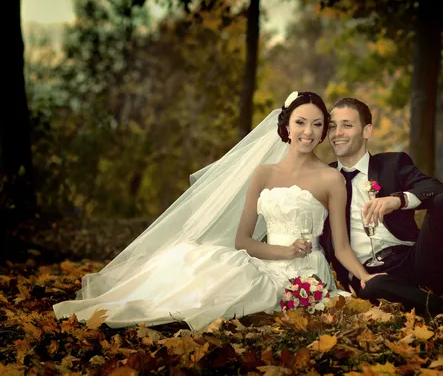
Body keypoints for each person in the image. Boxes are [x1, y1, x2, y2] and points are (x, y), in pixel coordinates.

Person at [52, 91, 378, 331]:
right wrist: (282, 249)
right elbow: (242, 241)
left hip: (303, 274)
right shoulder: (263, 174)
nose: (308, 131)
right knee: (196, 256)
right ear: (287, 127)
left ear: (323, 132)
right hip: (266, 257)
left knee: (240, 280)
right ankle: (148, 304)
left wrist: (365, 278)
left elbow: (343, 247)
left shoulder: (331, 178)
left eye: (317, 124)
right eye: (301, 122)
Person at [321, 97, 443, 319]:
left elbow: (436, 187)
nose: (337, 132)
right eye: (332, 126)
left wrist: (398, 200)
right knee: (374, 287)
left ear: (367, 131)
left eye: (347, 125)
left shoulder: (392, 164)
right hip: (370, 276)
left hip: (417, 260)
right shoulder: (322, 180)